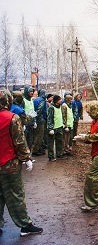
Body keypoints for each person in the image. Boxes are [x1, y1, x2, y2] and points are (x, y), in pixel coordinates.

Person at [0, 89, 43, 237]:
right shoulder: (12, 117)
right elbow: (19, 142)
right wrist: (27, 159)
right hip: (9, 163)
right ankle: (25, 225)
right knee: (16, 195)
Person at [46, 95, 67, 161]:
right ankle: (51, 156)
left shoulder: (60, 106)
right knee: (51, 143)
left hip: (59, 127)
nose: (61, 100)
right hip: (53, 128)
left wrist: (63, 123)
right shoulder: (51, 108)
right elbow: (49, 118)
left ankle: (59, 154)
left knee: (59, 141)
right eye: (60, 99)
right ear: (56, 100)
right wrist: (50, 128)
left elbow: (61, 116)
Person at [32, 89, 48, 156]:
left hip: (36, 119)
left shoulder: (35, 100)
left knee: (36, 135)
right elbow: (40, 110)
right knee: (39, 136)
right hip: (40, 120)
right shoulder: (42, 101)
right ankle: (36, 150)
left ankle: (37, 149)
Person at [22, 85, 37, 150]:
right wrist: (23, 124)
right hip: (26, 124)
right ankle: (25, 158)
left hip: (31, 123)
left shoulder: (31, 101)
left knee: (30, 141)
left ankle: (29, 157)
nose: (32, 93)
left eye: (32, 91)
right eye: (30, 91)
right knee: (25, 141)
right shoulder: (23, 101)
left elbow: (33, 112)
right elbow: (21, 113)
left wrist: (34, 121)